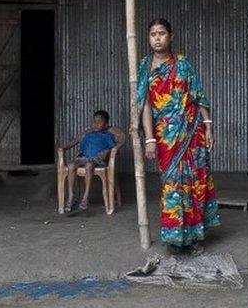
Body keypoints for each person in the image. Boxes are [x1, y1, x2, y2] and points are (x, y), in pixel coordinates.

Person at [137, 18, 219, 255]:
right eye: (153, 34)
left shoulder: (183, 65)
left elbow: (199, 96)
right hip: (165, 136)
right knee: (172, 184)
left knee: (194, 183)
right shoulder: (145, 67)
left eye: (162, 33)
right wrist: (150, 138)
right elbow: (144, 106)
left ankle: (194, 237)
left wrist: (209, 126)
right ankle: (175, 238)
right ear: (148, 37)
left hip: (192, 132)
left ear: (171, 36)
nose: (157, 38)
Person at [58, 110, 124, 215]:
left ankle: (85, 198)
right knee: (71, 165)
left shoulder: (107, 136)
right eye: (94, 121)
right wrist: (62, 148)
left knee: (89, 166)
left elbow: (117, 150)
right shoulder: (87, 134)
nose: (96, 124)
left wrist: (107, 151)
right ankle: (71, 196)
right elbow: (73, 142)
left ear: (106, 125)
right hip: (83, 157)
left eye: (99, 122)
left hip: (97, 159)